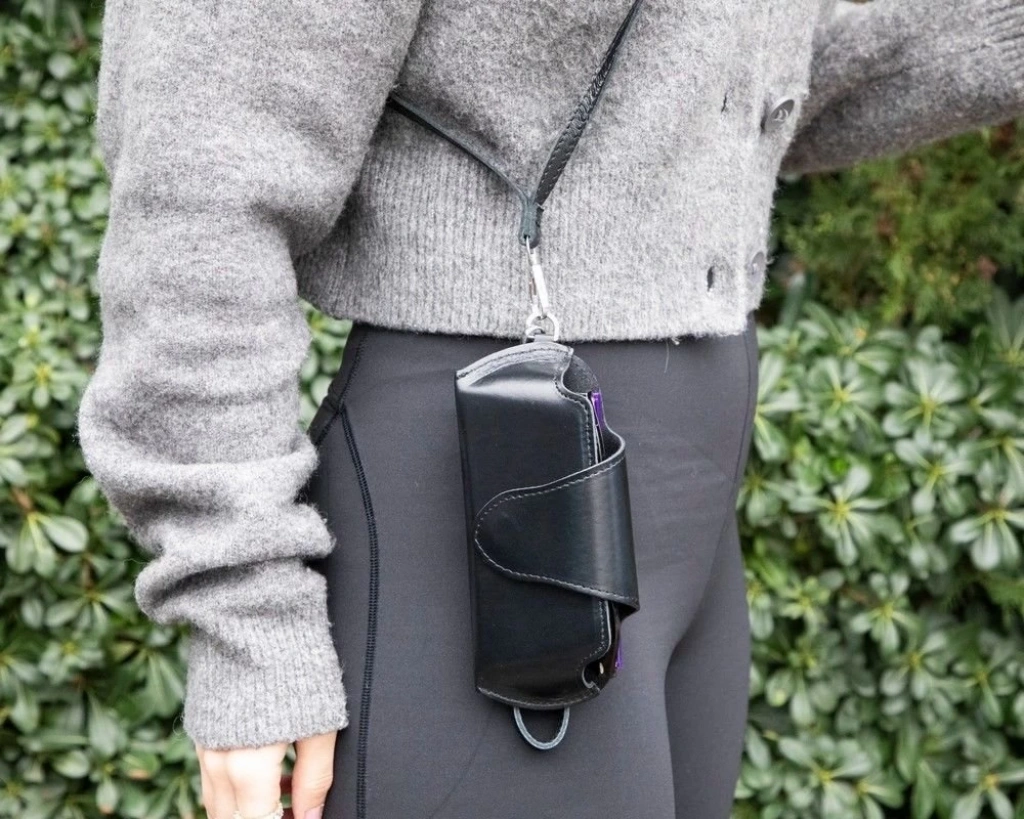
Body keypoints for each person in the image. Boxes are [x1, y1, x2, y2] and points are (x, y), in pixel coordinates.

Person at [76, 0, 1023, 817]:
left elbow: (725, 88)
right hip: (481, 511)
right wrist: (245, 615)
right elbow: (200, 181)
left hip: (680, 520)